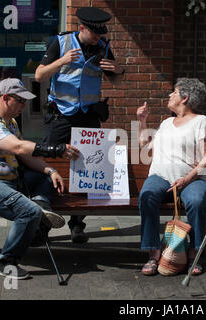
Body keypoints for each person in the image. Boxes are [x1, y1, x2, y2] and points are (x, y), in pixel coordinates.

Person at [0, 78, 80, 280]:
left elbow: (26, 156)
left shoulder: (12, 123)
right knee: (28, 212)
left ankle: (41, 208)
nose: (24, 105)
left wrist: (50, 170)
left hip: (10, 180)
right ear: (5, 98)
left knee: (46, 179)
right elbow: (17, 147)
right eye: (21, 100)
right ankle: (5, 262)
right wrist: (56, 149)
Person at [34, 7, 125, 243]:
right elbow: (39, 75)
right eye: (94, 34)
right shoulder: (61, 43)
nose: (98, 39)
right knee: (49, 163)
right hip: (61, 116)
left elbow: (114, 81)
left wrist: (117, 71)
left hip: (89, 116)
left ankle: (77, 223)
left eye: (100, 35)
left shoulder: (103, 47)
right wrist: (62, 61)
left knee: (89, 168)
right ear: (82, 28)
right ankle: (41, 225)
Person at [136, 78, 206, 276]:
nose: (170, 95)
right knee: (147, 196)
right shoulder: (165, 123)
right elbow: (145, 148)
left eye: (174, 92)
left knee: (197, 200)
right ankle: (154, 254)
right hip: (161, 177)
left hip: (192, 179)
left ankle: (193, 254)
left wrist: (186, 179)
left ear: (185, 98)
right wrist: (142, 122)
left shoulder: (202, 122)